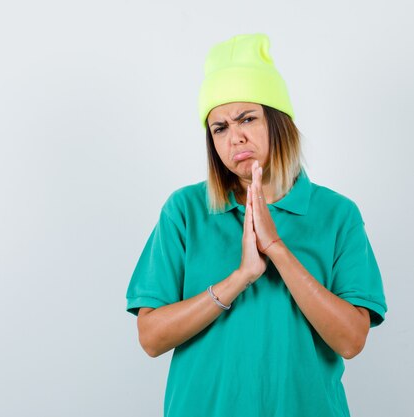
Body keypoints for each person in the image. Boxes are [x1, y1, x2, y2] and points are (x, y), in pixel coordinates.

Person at [125, 33, 388, 417]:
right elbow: (151, 338)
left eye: (247, 118)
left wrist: (277, 250)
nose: (236, 137)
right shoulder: (184, 210)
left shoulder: (337, 214)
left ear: (278, 122)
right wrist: (241, 277)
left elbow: (351, 340)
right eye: (220, 128)